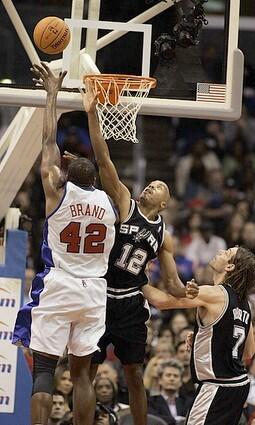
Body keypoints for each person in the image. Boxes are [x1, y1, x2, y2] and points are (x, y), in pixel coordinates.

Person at [76, 80, 198, 425]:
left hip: (130, 302)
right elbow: (104, 159)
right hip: (100, 295)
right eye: (151, 182)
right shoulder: (125, 202)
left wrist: (188, 290)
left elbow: (172, 283)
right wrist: (92, 114)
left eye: (158, 186)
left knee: (133, 374)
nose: (150, 185)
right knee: (88, 368)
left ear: (164, 203)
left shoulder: (164, 235)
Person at [12, 64, 117, 425]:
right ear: (94, 180)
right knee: (83, 374)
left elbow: (47, 145)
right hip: (94, 292)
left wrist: (52, 92)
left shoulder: (56, 191)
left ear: (65, 173)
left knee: (44, 368)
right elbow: (99, 166)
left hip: (60, 285)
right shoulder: (110, 202)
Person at [143, 246, 255, 424]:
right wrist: (208, 336)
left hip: (216, 385)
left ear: (229, 267)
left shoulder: (214, 293)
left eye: (226, 253)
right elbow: (248, 352)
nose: (220, 252)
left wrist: (134, 280)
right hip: (239, 385)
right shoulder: (245, 302)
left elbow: (161, 302)